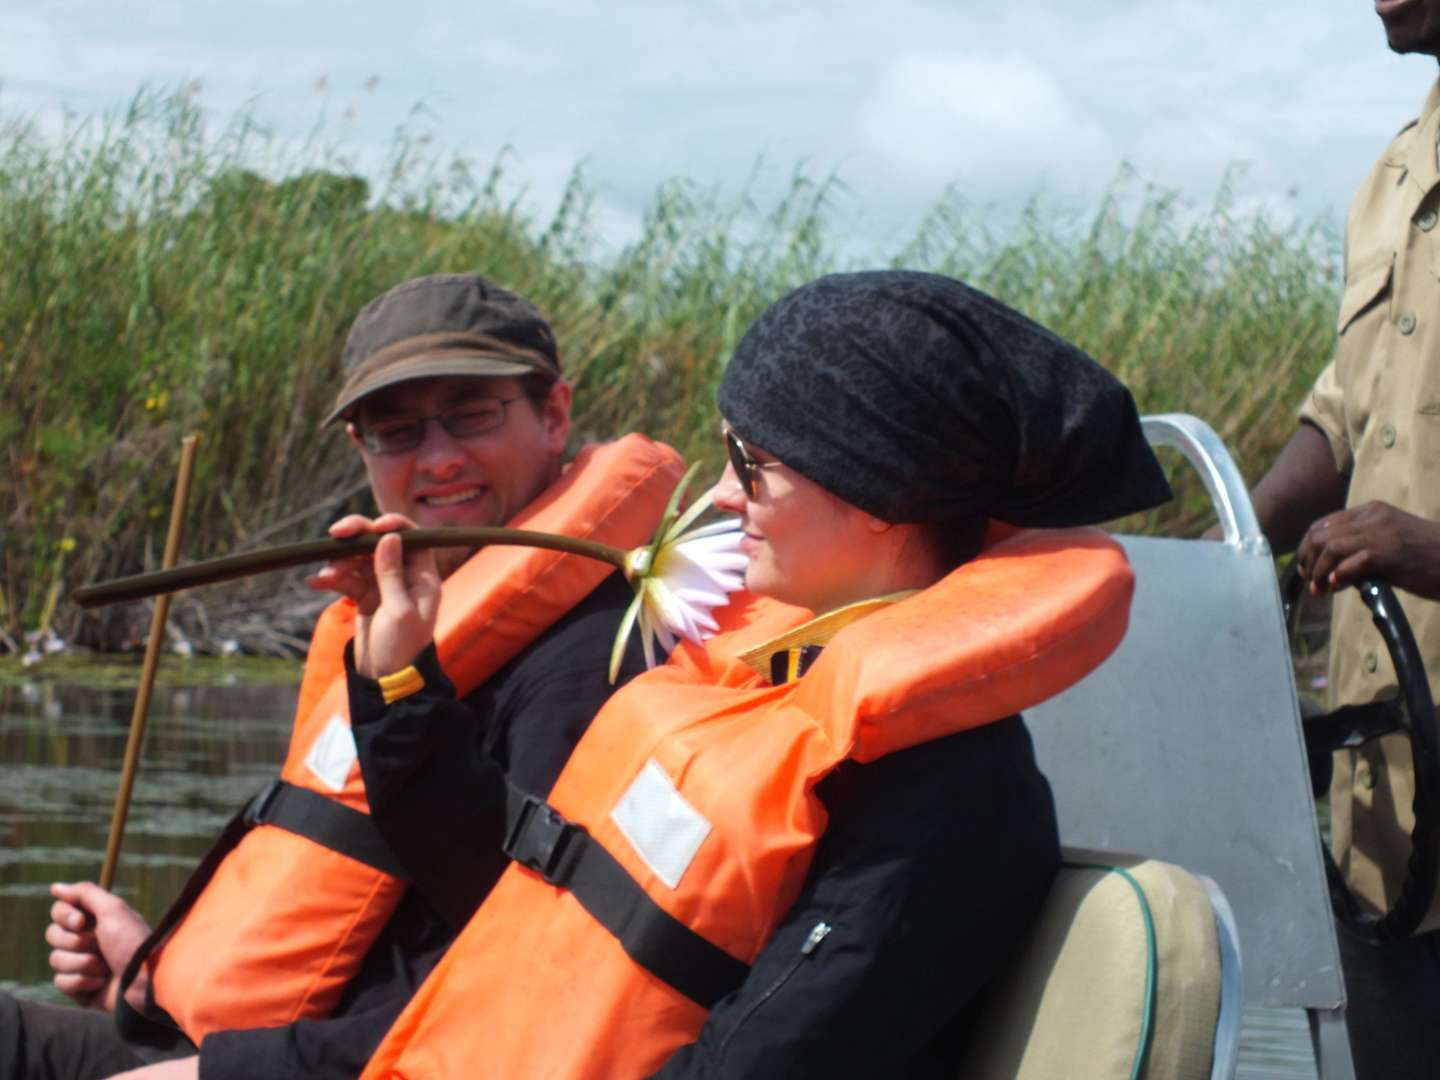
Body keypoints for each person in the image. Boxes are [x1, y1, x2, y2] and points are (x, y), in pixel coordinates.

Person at [345, 270, 1174, 1078]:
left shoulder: (951, 801)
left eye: (753, 466)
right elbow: (516, 874)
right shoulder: (759, 678)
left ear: (881, 491)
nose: (721, 497)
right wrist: (396, 683)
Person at [2, 273, 682, 1080]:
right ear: (363, 449)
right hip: (217, 1043)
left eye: (472, 413)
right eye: (395, 430)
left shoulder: (601, 658)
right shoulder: (396, 622)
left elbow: (534, 969)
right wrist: (146, 971)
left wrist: (223, 1072)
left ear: (555, 415)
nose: (439, 458)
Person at [1242, 6, 1440, 1075]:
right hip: (1389, 821)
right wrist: (1231, 546)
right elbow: (1344, 412)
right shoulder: (1394, 177)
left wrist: (1425, 550)